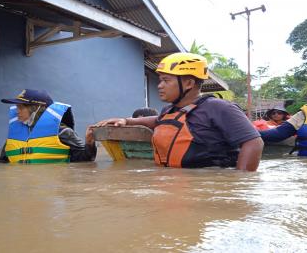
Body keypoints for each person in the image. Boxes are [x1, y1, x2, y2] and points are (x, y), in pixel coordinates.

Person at [95, 53, 263, 171]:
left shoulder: (219, 108)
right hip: (175, 183)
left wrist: (240, 183)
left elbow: (254, 142)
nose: (159, 86)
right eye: (160, 80)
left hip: (206, 185)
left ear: (189, 83)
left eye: (166, 81)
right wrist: (128, 121)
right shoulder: (169, 110)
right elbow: (158, 120)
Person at [0, 89, 96, 163]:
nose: (17, 111)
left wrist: (89, 144)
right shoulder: (16, 135)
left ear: (36, 109)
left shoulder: (62, 131)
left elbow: (84, 161)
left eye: (21, 107)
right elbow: (2, 163)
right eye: (17, 107)